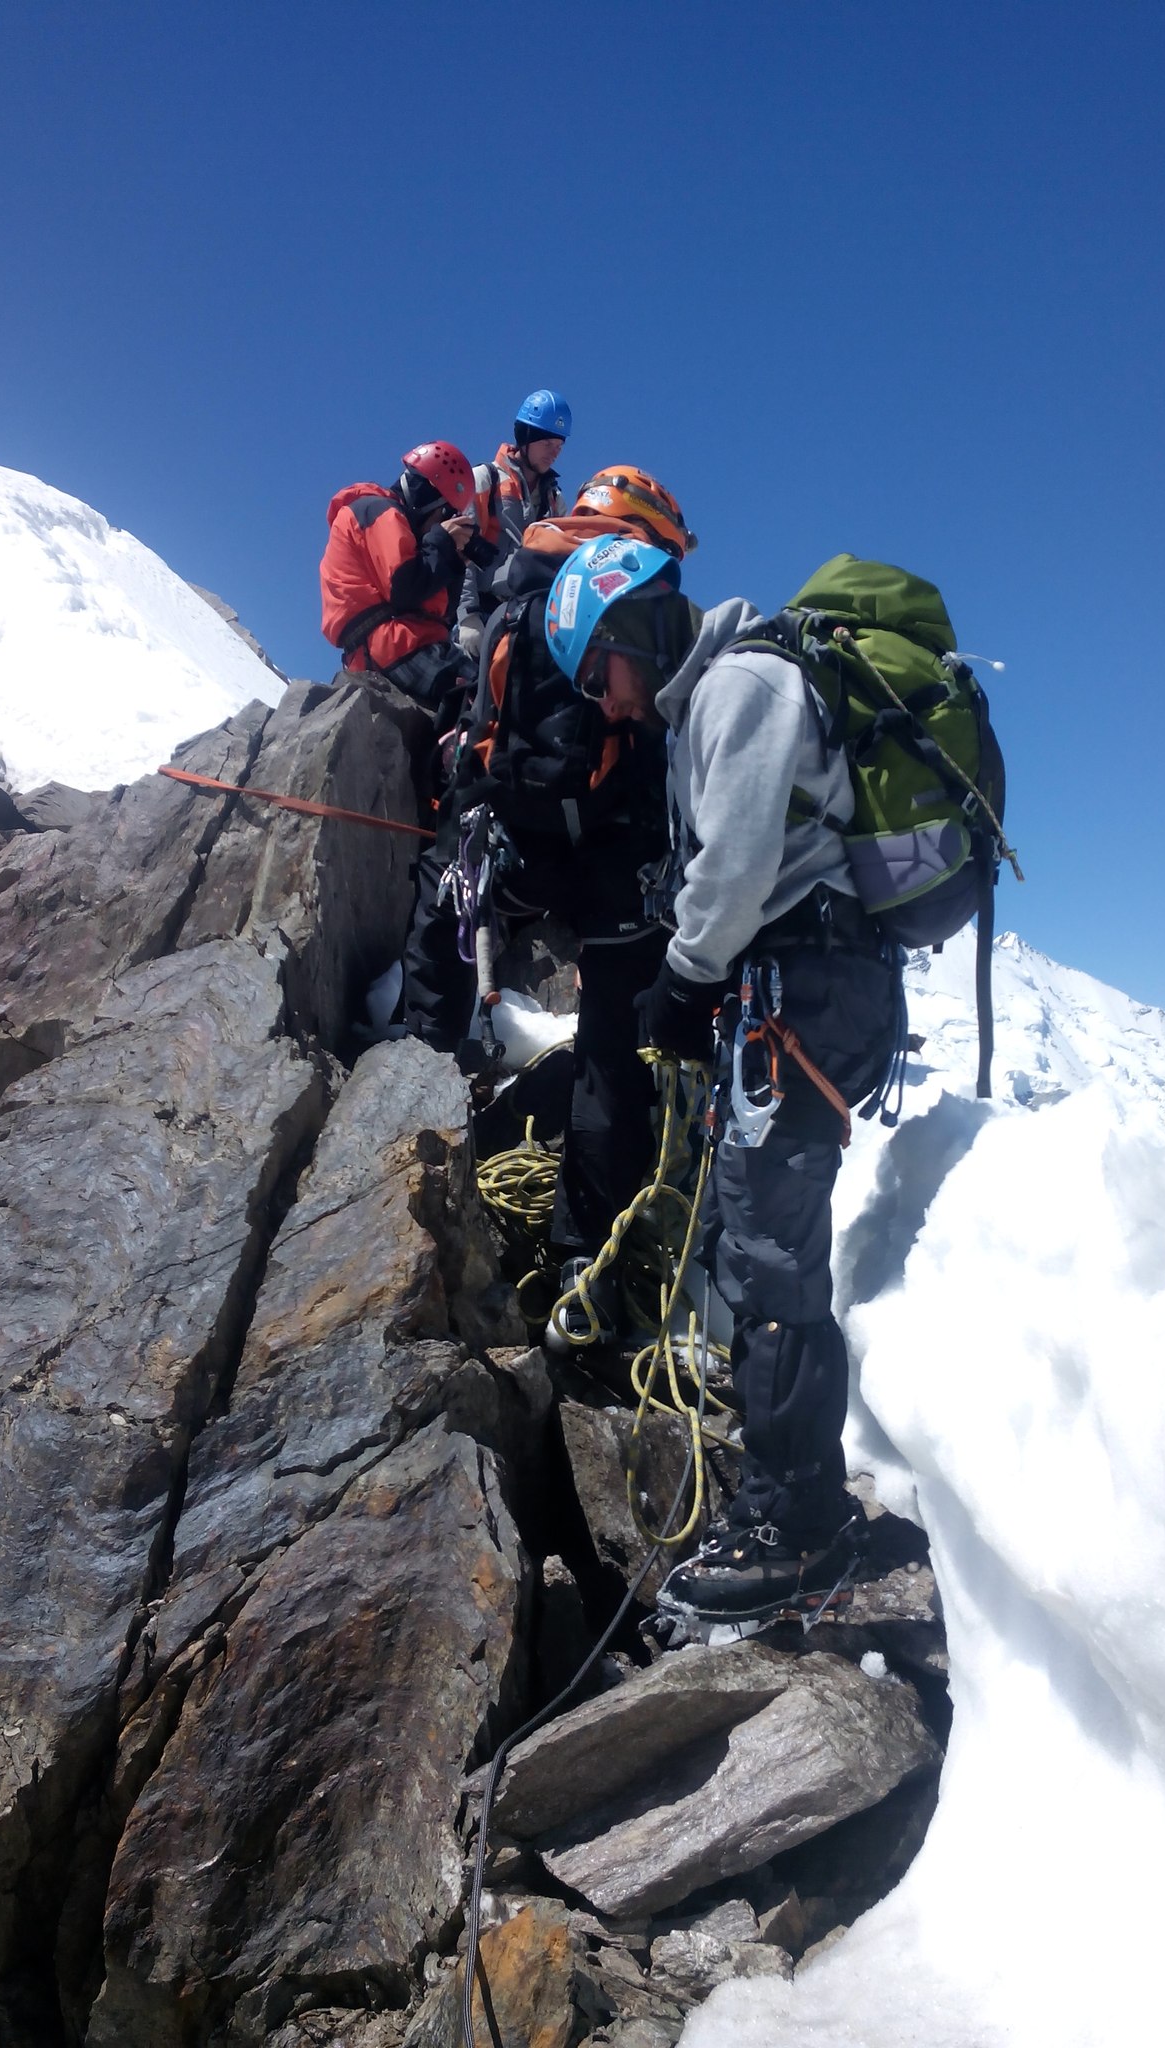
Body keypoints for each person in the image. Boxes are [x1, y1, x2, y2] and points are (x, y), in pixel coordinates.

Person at [543, 535, 902, 1621]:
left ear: (630, 635)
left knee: (766, 1247)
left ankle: (798, 1524)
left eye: (599, 674)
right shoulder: (718, 699)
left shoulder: (740, 684)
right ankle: (790, 1495)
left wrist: (685, 977)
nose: (607, 704)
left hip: (805, 985)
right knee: (756, 1232)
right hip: (797, 984)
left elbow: (740, 863)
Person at [403, 512, 695, 1347]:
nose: (610, 704)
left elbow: (475, 762)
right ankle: (587, 1262)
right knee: (613, 1049)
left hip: (514, 835)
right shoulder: (656, 659)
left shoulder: (530, 613)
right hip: (611, 858)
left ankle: (407, 1093)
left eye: (607, 687)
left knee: (447, 916)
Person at [319, 441, 490, 714]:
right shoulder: (377, 509)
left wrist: (455, 562)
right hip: (392, 646)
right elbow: (405, 588)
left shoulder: (403, 531)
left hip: (405, 643)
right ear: (427, 496)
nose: (442, 521)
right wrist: (442, 542)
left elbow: (443, 614)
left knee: (495, 687)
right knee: (487, 699)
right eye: (445, 512)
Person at [454, 390, 572, 657]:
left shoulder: (555, 502)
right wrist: (467, 616)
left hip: (529, 616)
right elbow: (460, 549)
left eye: (560, 447)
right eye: (548, 444)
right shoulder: (484, 480)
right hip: (482, 611)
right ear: (527, 437)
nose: (555, 454)